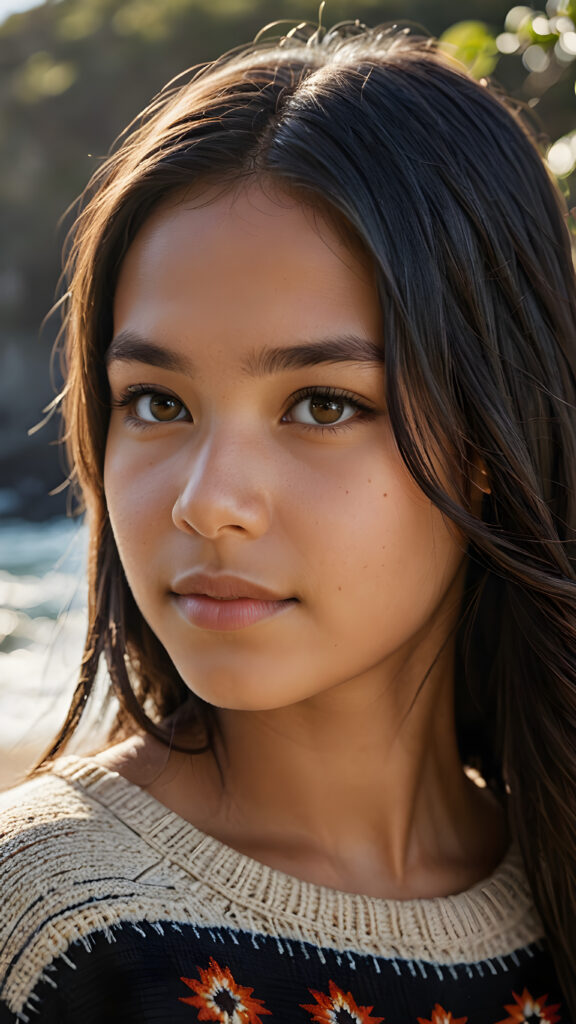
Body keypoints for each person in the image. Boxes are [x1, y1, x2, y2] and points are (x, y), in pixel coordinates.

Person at [0, 15, 575, 1023]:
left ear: (493, 435)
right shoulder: (50, 931)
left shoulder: (557, 882)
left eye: (322, 404)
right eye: (156, 402)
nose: (206, 501)